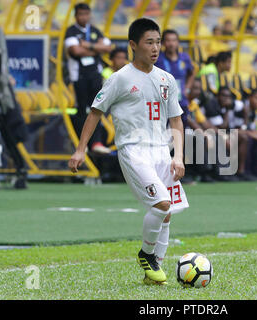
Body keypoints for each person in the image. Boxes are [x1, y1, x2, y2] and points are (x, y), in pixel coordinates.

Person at [68, 18, 188, 286]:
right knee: (162, 204)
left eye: (158, 42)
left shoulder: (166, 79)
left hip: (161, 151)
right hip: (133, 151)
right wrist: (80, 150)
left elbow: (176, 119)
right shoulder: (119, 79)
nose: (155, 48)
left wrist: (178, 156)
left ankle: (153, 272)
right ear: (133, 45)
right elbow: (95, 113)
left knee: (167, 213)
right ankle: (146, 255)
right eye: (149, 42)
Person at [64, 3, 112, 154]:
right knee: (81, 110)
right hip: (79, 76)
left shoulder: (95, 31)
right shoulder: (71, 32)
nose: (84, 17)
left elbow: (108, 48)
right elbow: (75, 51)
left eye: (86, 14)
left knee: (96, 108)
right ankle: (81, 145)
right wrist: (96, 49)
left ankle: (96, 142)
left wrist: (87, 45)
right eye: (81, 14)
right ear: (75, 16)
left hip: (95, 75)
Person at [155, 29, 195, 129]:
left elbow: (192, 73)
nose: (171, 43)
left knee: (182, 133)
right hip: (164, 104)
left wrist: (187, 88)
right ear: (163, 43)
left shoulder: (184, 58)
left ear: (178, 42)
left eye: (174, 40)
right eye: (168, 40)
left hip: (182, 102)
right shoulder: (157, 59)